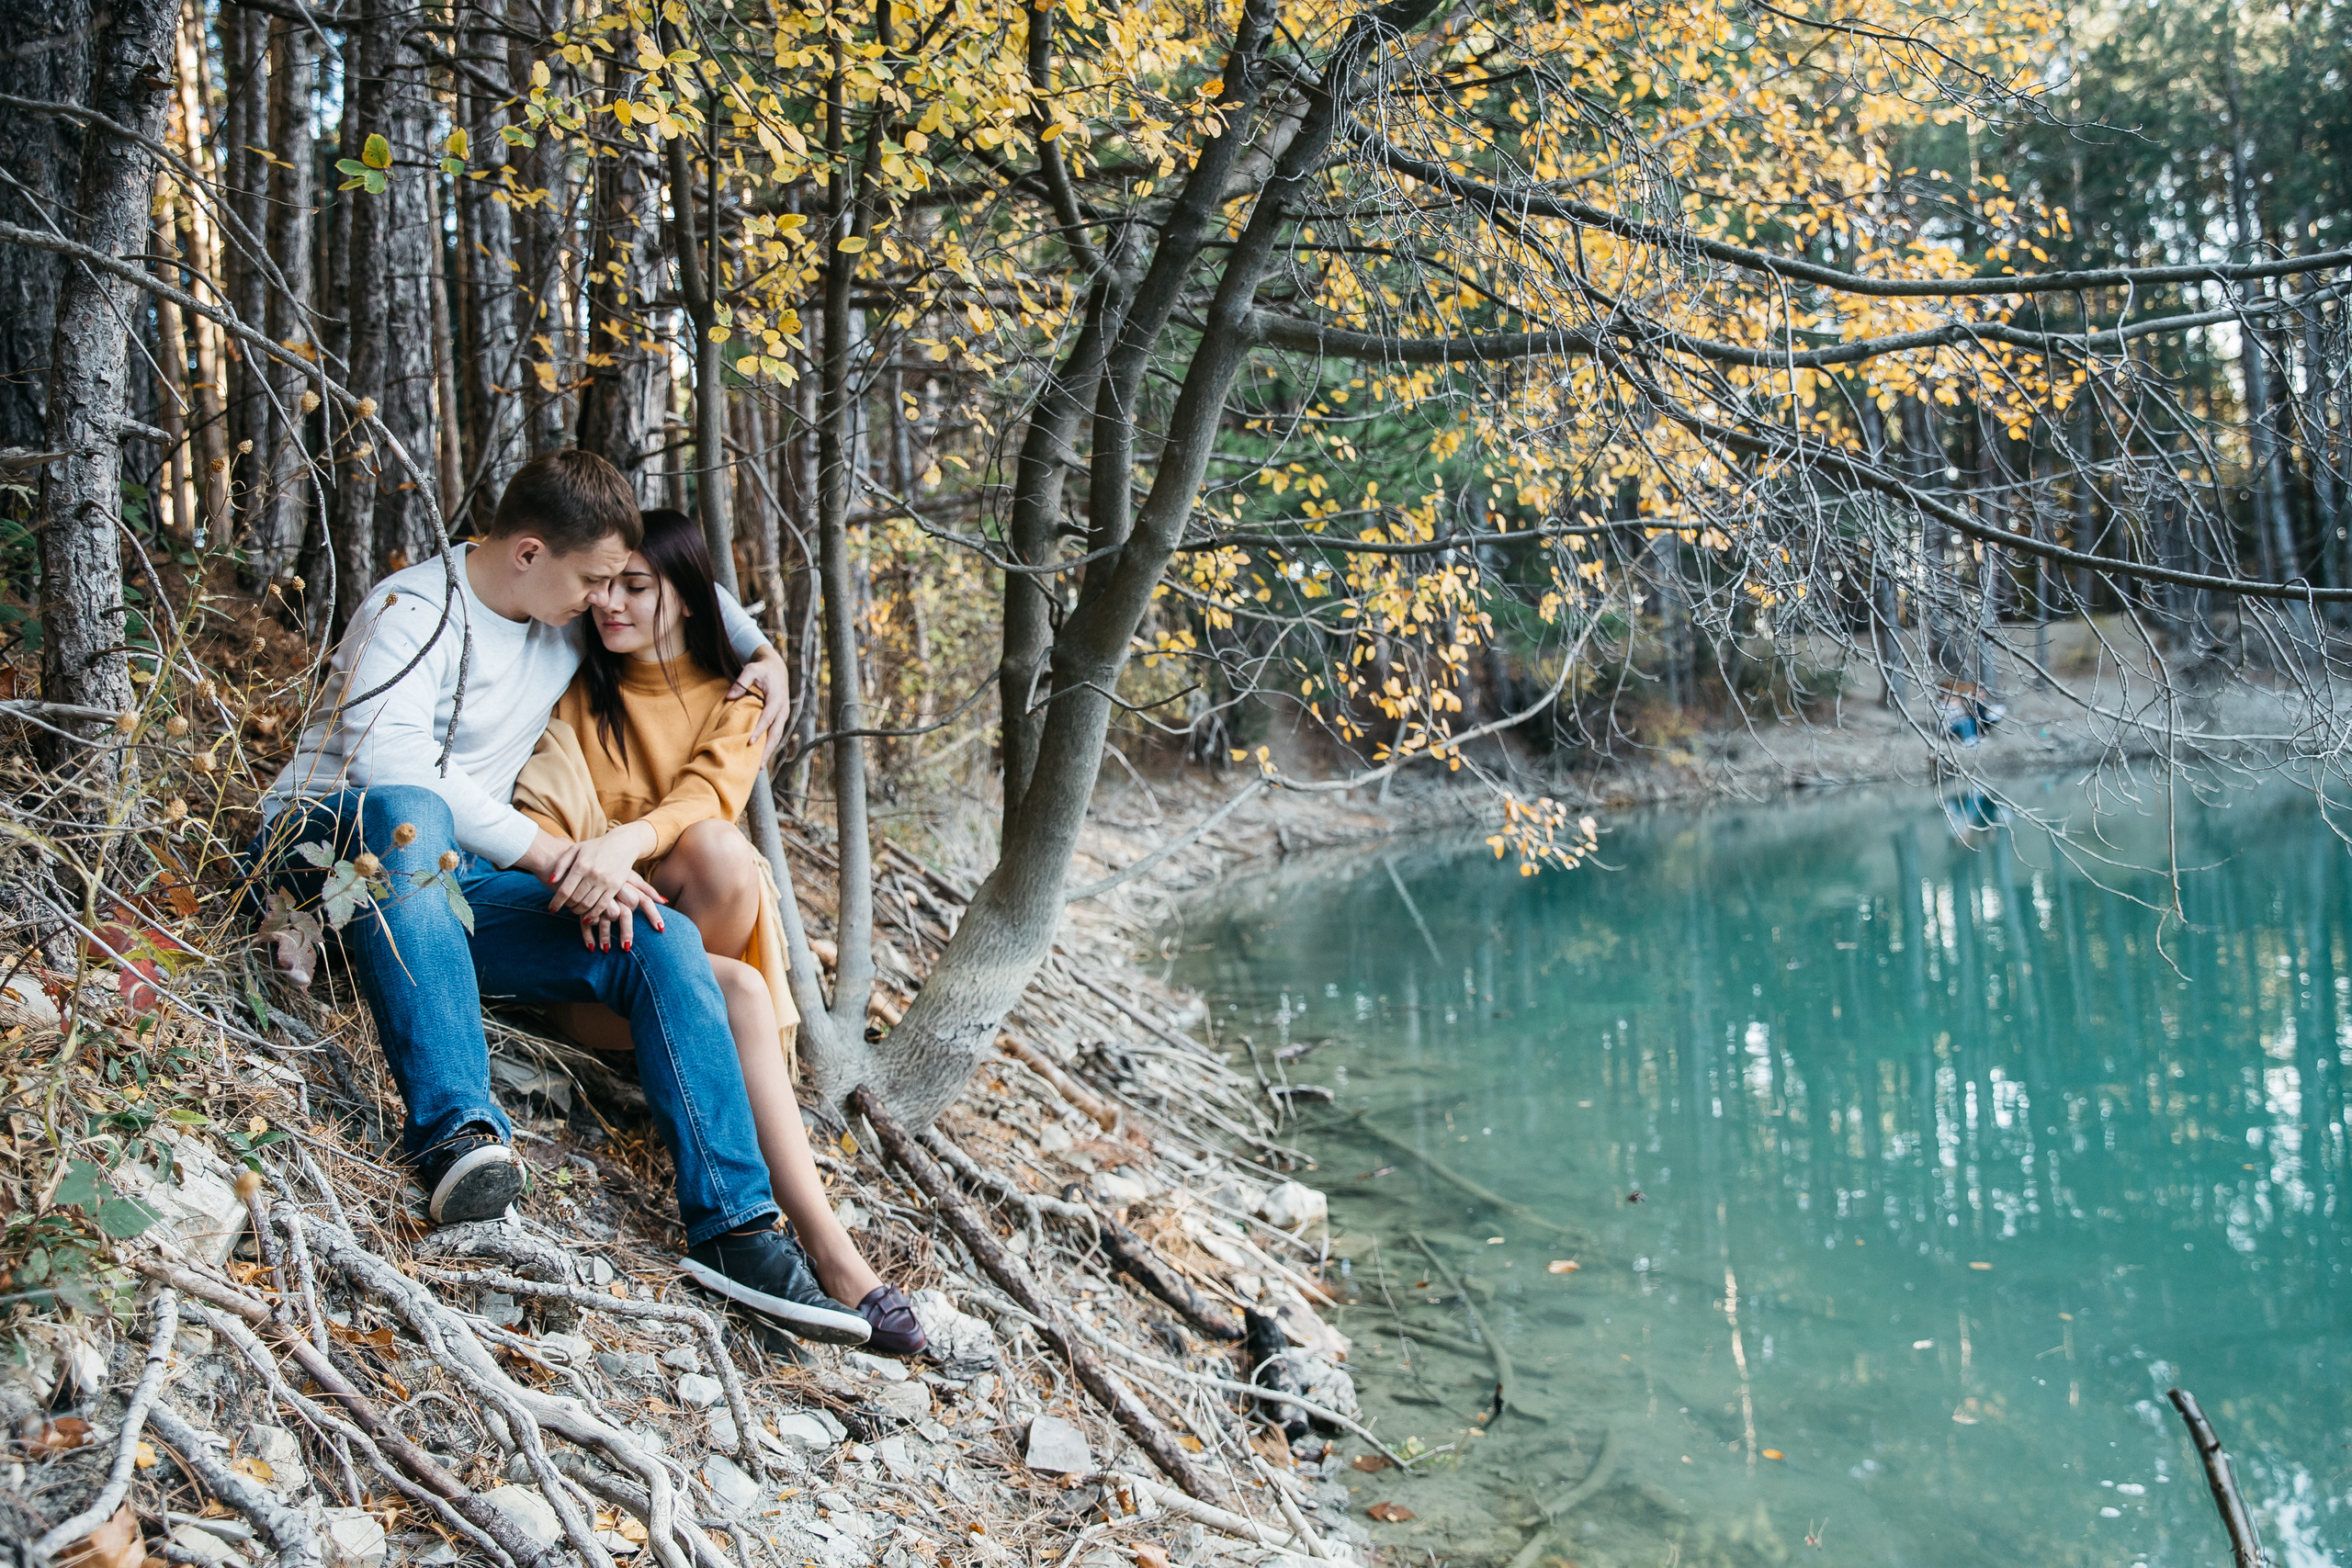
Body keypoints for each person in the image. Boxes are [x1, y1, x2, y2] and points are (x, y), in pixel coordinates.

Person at [252, 451, 874, 1348]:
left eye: (611, 584)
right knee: (408, 812)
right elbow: (389, 770)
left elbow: (685, 590)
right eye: (591, 580)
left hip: (451, 891)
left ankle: (737, 1230)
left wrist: (762, 654)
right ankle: (461, 1138)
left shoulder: (559, 617)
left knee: (655, 936)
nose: (601, 602)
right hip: (322, 859)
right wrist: (547, 854)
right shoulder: (411, 612)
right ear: (530, 553)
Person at [513, 508, 924, 1355]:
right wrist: (589, 869)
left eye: (639, 587)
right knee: (721, 961)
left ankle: (833, 1254)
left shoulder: (736, 695)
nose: (612, 606)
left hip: (684, 931)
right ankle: (835, 1261)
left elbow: (709, 792)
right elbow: (537, 813)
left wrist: (629, 841)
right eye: (606, 586)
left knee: (720, 864)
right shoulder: (569, 689)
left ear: (693, 601)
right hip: (591, 956)